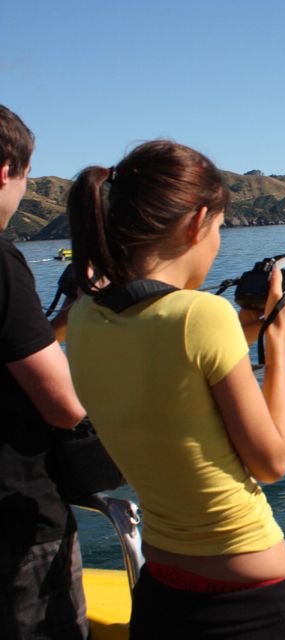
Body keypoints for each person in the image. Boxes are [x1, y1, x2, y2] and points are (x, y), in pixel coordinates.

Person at [65, 140, 285, 639]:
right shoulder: (203, 316)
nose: (218, 240)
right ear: (197, 221)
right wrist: (278, 341)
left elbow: (171, 372)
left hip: (161, 589)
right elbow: (271, 463)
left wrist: (245, 333)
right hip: (249, 601)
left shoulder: (83, 319)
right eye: (220, 228)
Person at [0, 104, 89, 639]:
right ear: (6, 170)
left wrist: (60, 323)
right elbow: (65, 405)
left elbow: (14, 349)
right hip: (16, 520)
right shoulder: (3, 263)